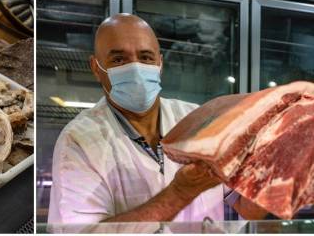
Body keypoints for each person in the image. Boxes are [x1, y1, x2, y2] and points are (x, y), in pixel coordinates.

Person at [48, 14, 267, 231]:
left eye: (145, 57)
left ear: (160, 64)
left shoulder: (197, 118)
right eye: (119, 60)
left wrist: (278, 167)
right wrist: (180, 193)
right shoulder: (77, 141)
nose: (135, 68)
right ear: (96, 68)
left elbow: (245, 206)